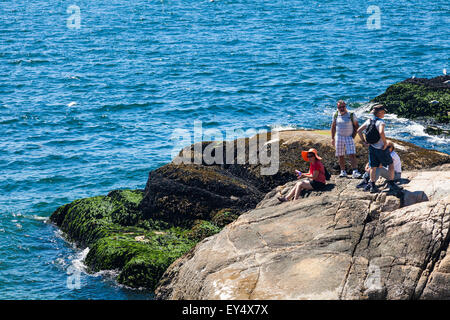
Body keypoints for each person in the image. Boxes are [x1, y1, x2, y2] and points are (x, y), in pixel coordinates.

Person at [357, 105, 400, 193]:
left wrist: (364, 141)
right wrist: (384, 143)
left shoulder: (369, 120)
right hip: (381, 148)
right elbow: (381, 132)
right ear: (380, 113)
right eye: (383, 112)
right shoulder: (381, 122)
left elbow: (359, 130)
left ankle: (373, 186)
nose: (384, 113)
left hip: (372, 147)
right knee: (390, 164)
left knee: (373, 166)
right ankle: (391, 184)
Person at [331, 100, 362, 178]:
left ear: (345, 106)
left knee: (352, 154)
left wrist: (353, 136)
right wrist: (332, 138)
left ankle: (355, 171)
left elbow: (356, 126)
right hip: (339, 137)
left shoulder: (351, 114)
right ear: (337, 108)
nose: (342, 108)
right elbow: (333, 126)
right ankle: (343, 171)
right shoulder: (335, 114)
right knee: (340, 154)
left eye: (343, 106)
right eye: (339, 107)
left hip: (349, 137)